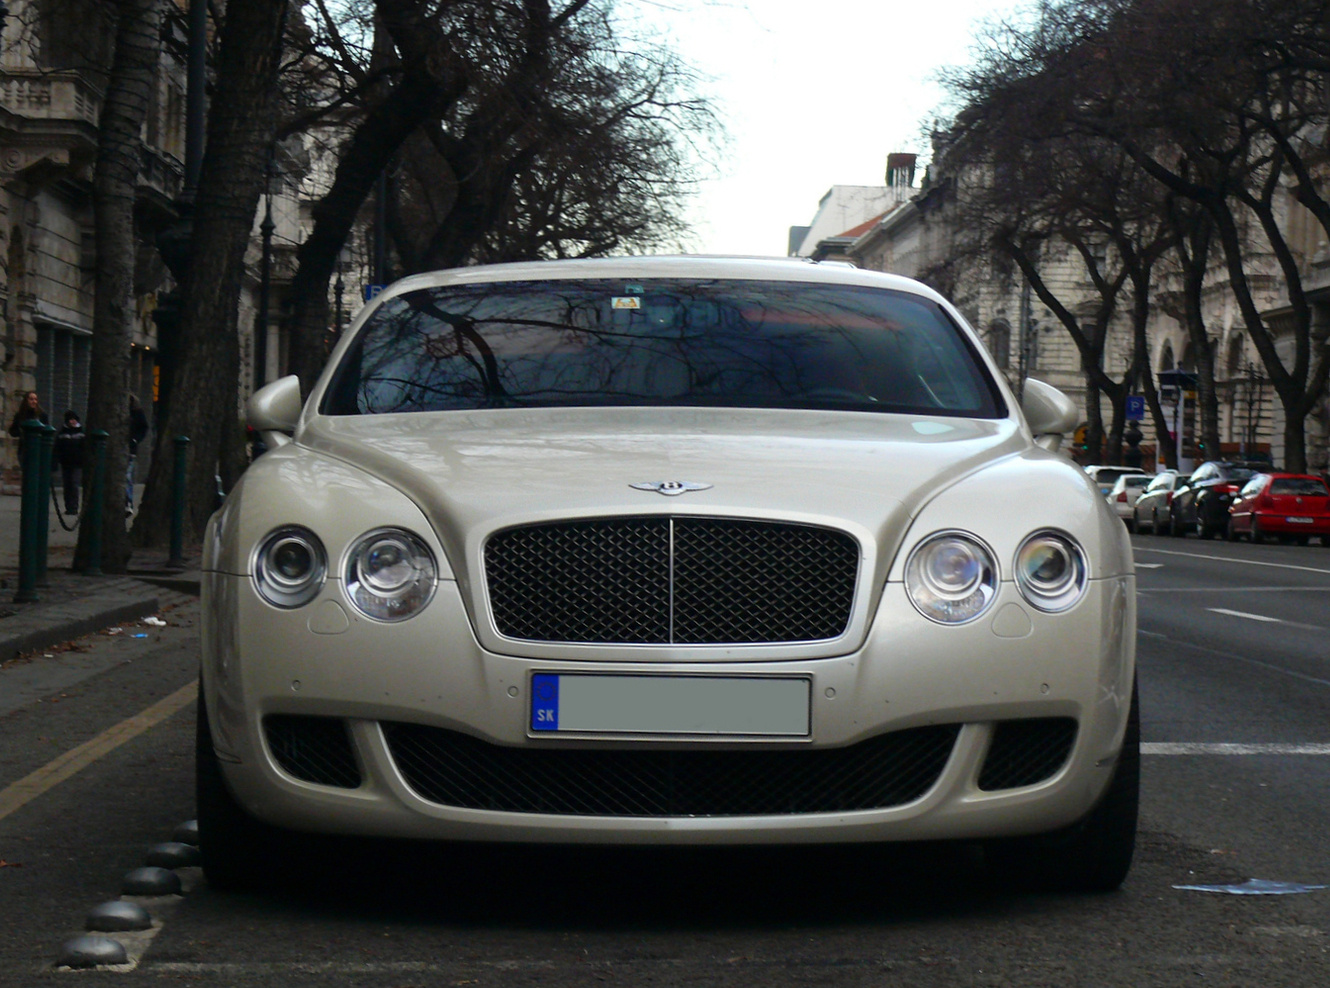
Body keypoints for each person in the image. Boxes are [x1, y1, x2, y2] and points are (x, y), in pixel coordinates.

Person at [55, 410, 85, 514]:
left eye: (74, 419)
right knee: (67, 485)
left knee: (74, 484)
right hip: (66, 462)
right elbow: (58, 447)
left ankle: (74, 507)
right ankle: (68, 507)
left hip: (77, 463)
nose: (72, 422)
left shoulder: (81, 432)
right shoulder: (62, 433)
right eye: (70, 420)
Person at [7, 390, 49, 464]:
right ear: (26, 401)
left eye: (35, 399)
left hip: (38, 450)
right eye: (31, 399)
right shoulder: (20, 415)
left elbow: (47, 431)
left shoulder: (42, 415)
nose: (34, 401)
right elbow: (12, 431)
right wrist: (21, 432)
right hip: (24, 449)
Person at [126, 394, 149, 515]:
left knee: (127, 476)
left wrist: (135, 439)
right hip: (128, 447)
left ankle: (128, 502)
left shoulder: (137, 413)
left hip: (131, 448)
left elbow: (143, 428)